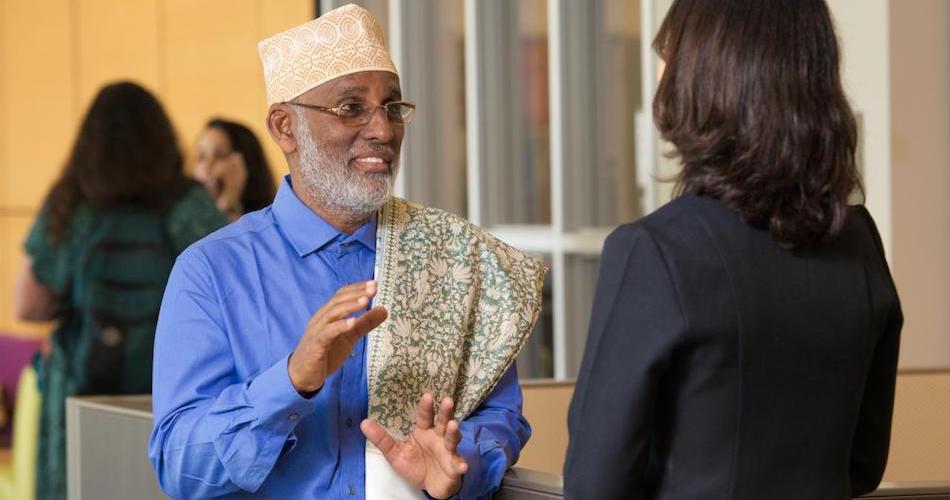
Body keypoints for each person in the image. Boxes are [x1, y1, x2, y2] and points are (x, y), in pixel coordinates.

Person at [148, 5, 546, 500]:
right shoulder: (211, 272)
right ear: (284, 127)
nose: (383, 130)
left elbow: (500, 413)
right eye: (351, 107)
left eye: (393, 107)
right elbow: (181, 466)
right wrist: (293, 380)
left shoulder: (453, 258)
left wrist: (462, 460)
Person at [563, 0, 902, 499]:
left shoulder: (654, 252)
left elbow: (595, 483)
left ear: (705, 75)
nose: (660, 70)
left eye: (668, 52)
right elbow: (864, 464)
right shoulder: (860, 244)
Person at [13, 81, 228, 500]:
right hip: (171, 394)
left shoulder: (72, 204)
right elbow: (230, 289)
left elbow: (28, 305)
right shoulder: (186, 203)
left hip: (79, 391)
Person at [193, 118, 277, 220]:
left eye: (220, 155)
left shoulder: (268, 219)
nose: (207, 165)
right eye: (201, 156)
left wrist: (228, 204)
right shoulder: (183, 216)